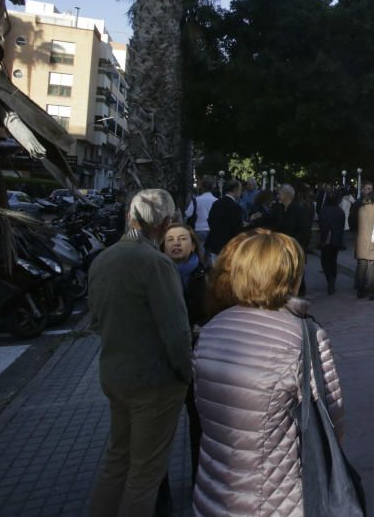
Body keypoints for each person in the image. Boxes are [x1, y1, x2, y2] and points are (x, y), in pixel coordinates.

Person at [192, 230, 344, 517]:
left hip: (212, 490)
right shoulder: (304, 337)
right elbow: (333, 420)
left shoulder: (211, 328)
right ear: (289, 277)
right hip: (277, 498)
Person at [88, 189, 192, 517]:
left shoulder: (103, 259)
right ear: (164, 223)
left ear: (129, 217)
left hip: (115, 374)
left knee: (118, 461)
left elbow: (96, 320)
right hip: (153, 381)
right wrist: (187, 373)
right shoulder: (156, 263)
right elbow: (176, 331)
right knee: (145, 473)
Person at [160, 224, 209, 492]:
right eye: (170, 240)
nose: (176, 244)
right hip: (164, 363)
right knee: (160, 432)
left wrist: (203, 325)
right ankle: (160, 492)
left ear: (193, 244)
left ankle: (198, 481)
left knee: (199, 426)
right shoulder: (154, 274)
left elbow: (214, 310)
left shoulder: (206, 274)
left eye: (182, 239)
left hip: (198, 358)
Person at [354, 188, 374, 300]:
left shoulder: (360, 209)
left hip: (360, 241)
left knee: (361, 267)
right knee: (372, 267)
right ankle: (372, 293)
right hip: (373, 241)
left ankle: (360, 291)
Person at [204, 179, 244, 262]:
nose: (241, 193)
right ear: (235, 190)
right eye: (240, 190)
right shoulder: (235, 207)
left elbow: (210, 220)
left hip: (215, 243)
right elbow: (237, 229)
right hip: (229, 245)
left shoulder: (216, 203)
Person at [318, 190, 346, 295]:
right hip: (336, 240)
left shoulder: (324, 211)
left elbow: (323, 225)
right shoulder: (340, 211)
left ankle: (330, 279)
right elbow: (342, 226)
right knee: (333, 260)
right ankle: (332, 279)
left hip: (327, 240)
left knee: (325, 261)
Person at [184, 180, 218, 246]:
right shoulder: (216, 200)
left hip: (198, 228)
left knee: (200, 250)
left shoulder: (196, 200)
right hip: (212, 229)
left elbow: (188, 214)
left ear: (202, 188)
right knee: (211, 252)